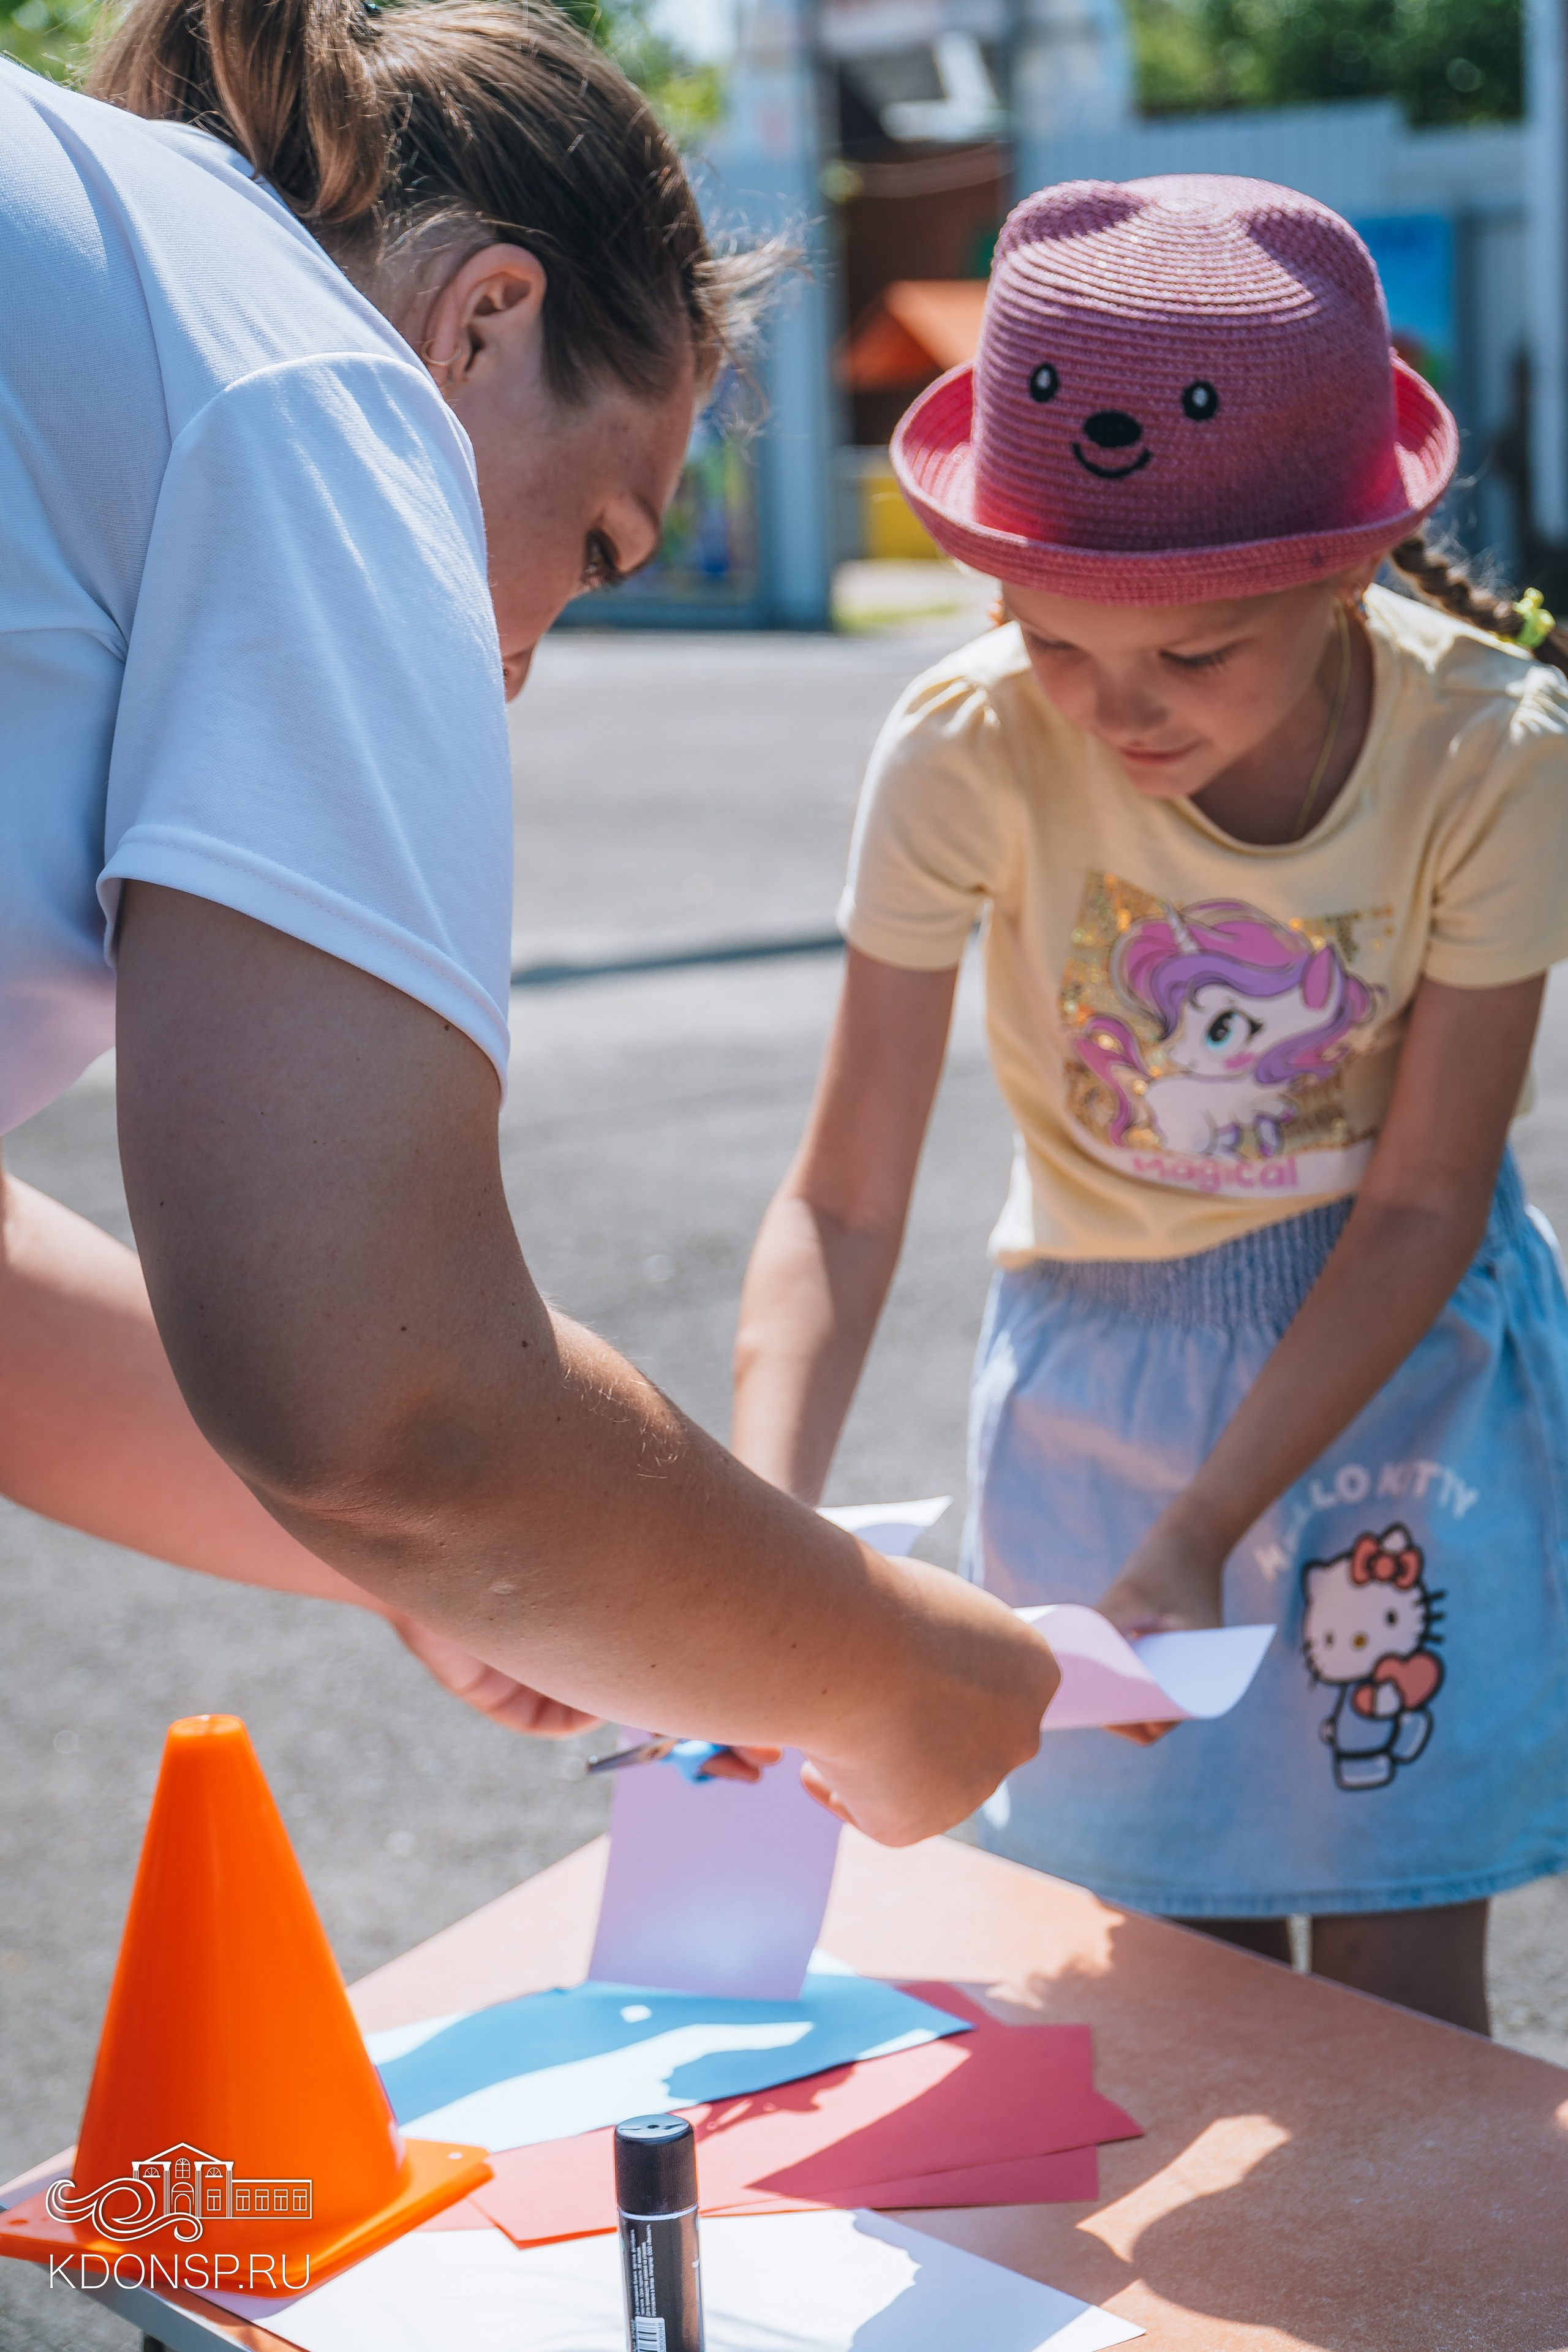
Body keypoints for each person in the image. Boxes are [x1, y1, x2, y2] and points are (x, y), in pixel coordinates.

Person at [0, 0, 1060, 1844]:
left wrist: (445, 1560)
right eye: (591, 549)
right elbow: (399, 1403)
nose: (508, 673)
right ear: (483, 318)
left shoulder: (109, 277)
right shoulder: (313, 385)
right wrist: (898, 1680)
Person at [733, 175, 1568, 2024]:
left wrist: (1215, 1523)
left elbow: (1429, 1201)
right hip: (1096, 1381)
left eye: (1195, 653)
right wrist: (754, 1535)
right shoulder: (962, 751)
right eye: (1052, 639)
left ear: (1351, 566)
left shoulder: (1495, 757)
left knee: (1397, 1981)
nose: (1115, 713)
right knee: (1173, 1987)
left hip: (1397, 1369)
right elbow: (844, 1202)